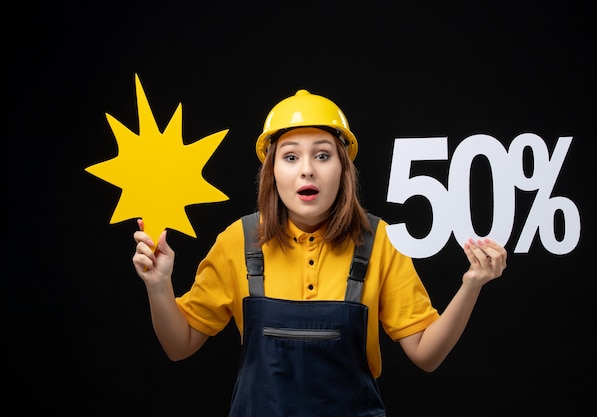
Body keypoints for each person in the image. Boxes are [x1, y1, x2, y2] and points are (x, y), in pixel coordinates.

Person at [132, 89, 507, 416]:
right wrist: (159, 284)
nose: (307, 170)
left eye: (323, 155)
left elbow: (426, 355)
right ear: (271, 171)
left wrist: (471, 284)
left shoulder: (380, 241)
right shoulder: (239, 240)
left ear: (344, 169)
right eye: (291, 157)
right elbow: (179, 346)